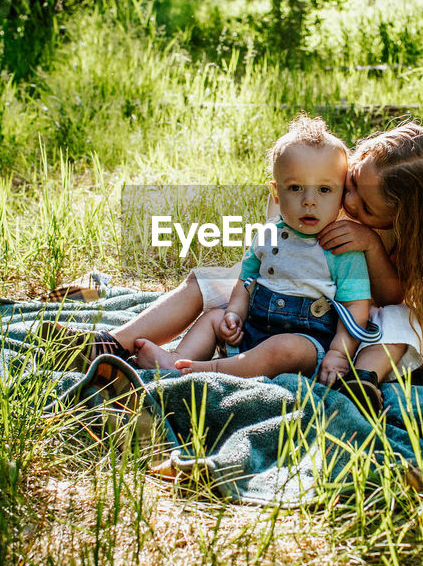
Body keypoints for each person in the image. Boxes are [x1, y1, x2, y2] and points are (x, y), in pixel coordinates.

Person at [78, 121, 423, 408]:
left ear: (405, 220)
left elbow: (390, 295)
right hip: (286, 290)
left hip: (348, 328)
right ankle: (116, 342)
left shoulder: (398, 237)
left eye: (367, 207)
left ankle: (360, 382)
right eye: (351, 183)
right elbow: (270, 241)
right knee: (206, 281)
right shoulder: (327, 190)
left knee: (404, 321)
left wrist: (371, 246)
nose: (350, 202)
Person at [136, 115, 377, 385]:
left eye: (324, 189)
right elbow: (246, 281)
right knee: (213, 318)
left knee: (282, 348)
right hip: (253, 329)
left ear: (341, 194)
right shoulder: (268, 234)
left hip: (306, 344)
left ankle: (204, 370)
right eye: (296, 188)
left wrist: (338, 354)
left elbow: (356, 307)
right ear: (276, 193)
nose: (309, 201)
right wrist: (235, 314)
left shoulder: (341, 247)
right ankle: (178, 358)